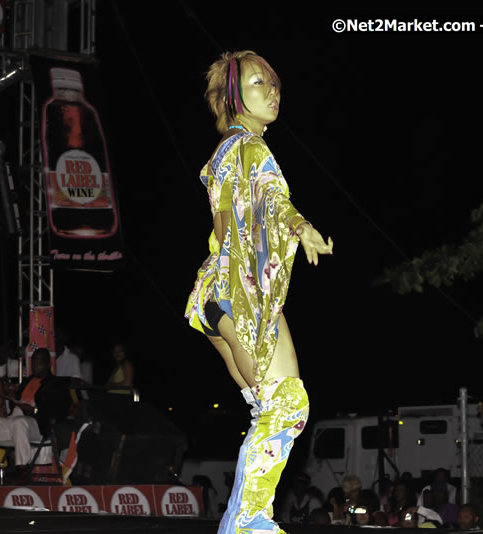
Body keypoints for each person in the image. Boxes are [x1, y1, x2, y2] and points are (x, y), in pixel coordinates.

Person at [183, 50, 333, 534]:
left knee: (278, 405)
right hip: (236, 292)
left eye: (273, 83)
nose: (271, 91)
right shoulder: (250, 148)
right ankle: (248, 519)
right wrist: (301, 226)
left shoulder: (223, 153)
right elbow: (272, 194)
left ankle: (241, 521)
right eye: (255, 83)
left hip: (217, 292)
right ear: (231, 97)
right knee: (286, 406)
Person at [0, 348, 71, 485]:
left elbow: (59, 411)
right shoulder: (28, 381)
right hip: (15, 420)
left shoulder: (55, 384)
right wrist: (12, 398)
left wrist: (34, 410)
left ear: (48, 365)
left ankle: (21, 470)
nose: (35, 366)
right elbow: (16, 403)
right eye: (33, 362)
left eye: (39, 363)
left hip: (36, 425)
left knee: (20, 422)